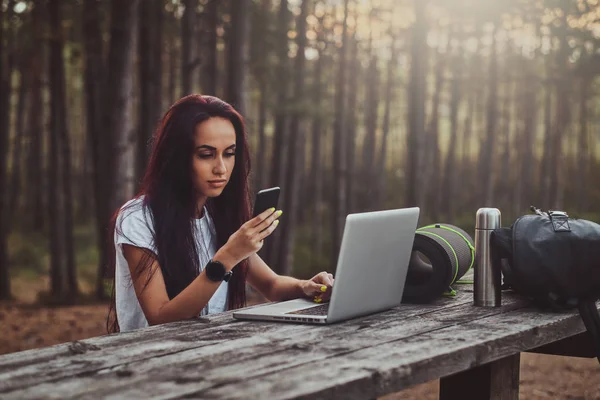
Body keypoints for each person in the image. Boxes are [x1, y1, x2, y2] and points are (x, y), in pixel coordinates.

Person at [106, 94, 334, 333]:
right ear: (176, 157)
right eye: (206, 154)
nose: (221, 168)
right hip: (146, 358)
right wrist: (227, 256)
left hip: (212, 350)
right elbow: (161, 318)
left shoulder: (218, 217)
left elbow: (271, 284)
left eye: (229, 153)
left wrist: (306, 286)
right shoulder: (137, 219)